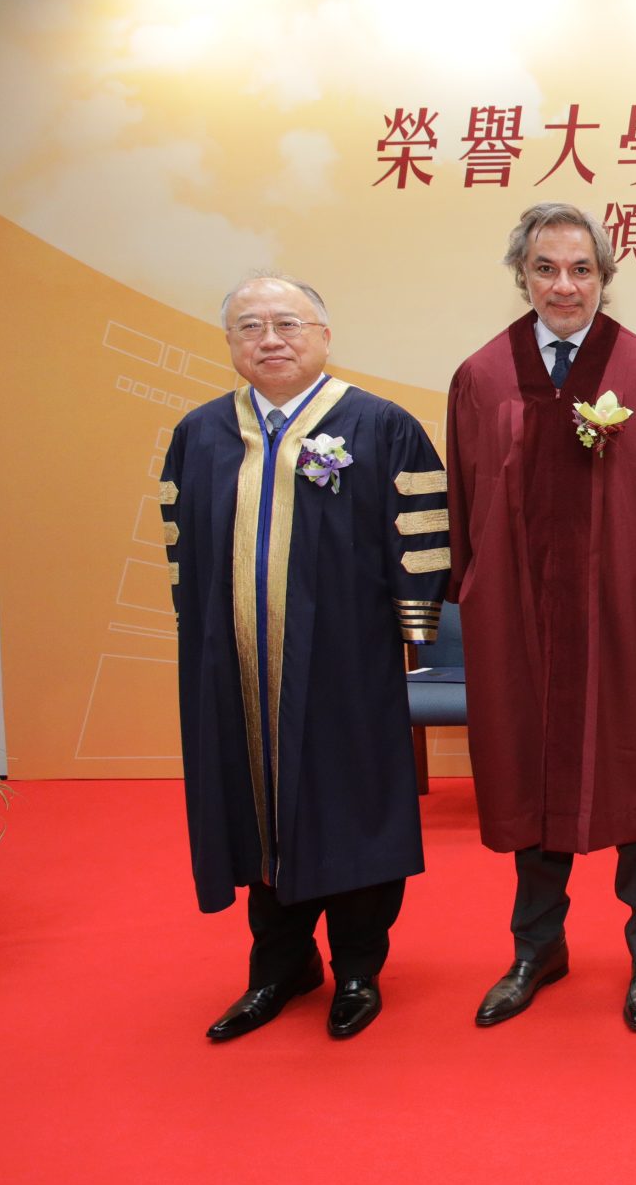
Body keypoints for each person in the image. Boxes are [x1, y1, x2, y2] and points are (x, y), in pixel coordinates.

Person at [160, 273, 448, 1043]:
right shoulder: (200, 434)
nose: (270, 339)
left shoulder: (379, 425)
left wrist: (412, 632)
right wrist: (202, 632)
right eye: (249, 326)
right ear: (230, 343)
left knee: (352, 804)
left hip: (347, 663)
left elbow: (422, 533)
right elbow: (181, 545)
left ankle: (357, 966)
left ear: (323, 335)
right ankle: (280, 964)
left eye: (287, 323)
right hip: (236, 667)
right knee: (253, 808)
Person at [446, 203, 636, 1032]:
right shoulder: (482, 378)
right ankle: (536, 946)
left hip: (624, 621)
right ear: (521, 274)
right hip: (516, 620)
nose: (564, 285)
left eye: (581, 269)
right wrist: (476, 594)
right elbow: (464, 508)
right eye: (546, 268)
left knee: (634, 774)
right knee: (528, 773)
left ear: (605, 276)